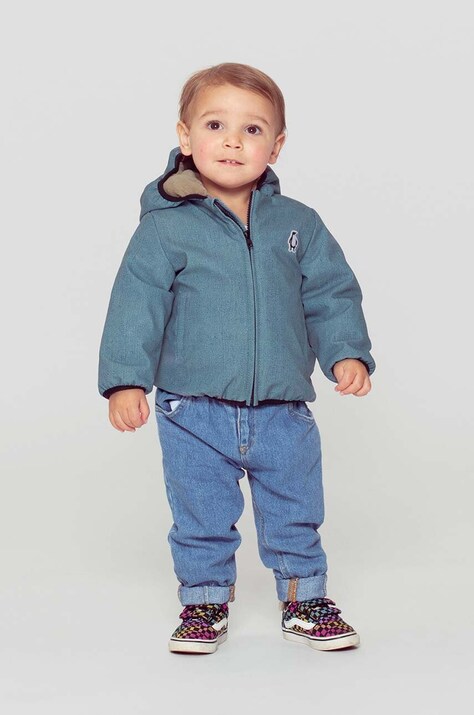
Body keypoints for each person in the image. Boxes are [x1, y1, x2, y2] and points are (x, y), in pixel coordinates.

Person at [98, 62, 376, 655]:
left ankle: (305, 598)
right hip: (192, 408)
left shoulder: (298, 224)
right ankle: (203, 599)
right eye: (215, 125)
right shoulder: (165, 230)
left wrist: (346, 352)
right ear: (185, 136)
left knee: (296, 506)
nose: (232, 141)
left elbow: (330, 293)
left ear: (276, 146)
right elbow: (136, 305)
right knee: (200, 510)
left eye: (252, 130)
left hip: (282, 408)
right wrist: (126, 381)